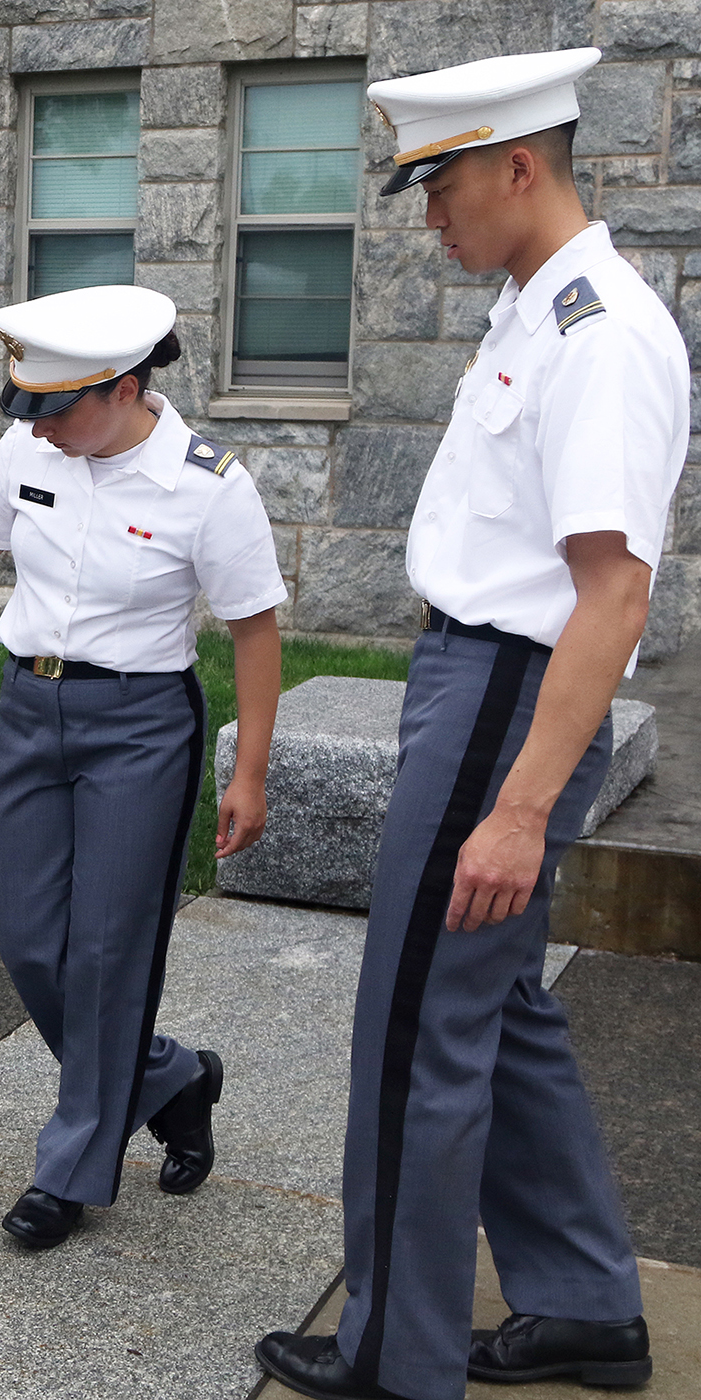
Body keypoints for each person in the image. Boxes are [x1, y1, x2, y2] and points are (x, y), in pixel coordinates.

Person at [255, 47, 680, 1400]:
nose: (425, 213)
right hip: (482, 681)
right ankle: (585, 1307)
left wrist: (517, 803)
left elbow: (612, 596)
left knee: (416, 1033)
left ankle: (395, 1356)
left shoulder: (598, 333)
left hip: (509, 696)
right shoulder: (533, 306)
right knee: (494, 1017)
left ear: (516, 163)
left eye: (439, 184)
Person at [0, 284, 286, 1251]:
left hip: (140, 727)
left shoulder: (207, 484)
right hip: (30, 710)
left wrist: (250, 770)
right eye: (33, 409)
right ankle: (170, 1077)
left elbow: (254, 631)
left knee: (104, 952)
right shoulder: (29, 447)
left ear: (127, 387)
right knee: (29, 941)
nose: (41, 428)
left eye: (59, 409)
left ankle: (70, 1170)